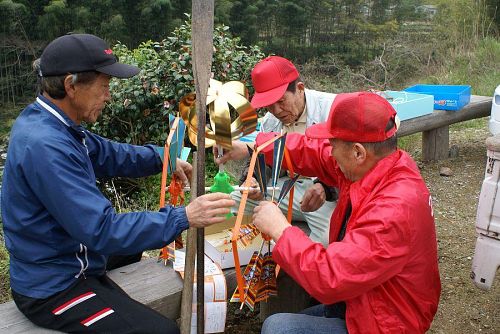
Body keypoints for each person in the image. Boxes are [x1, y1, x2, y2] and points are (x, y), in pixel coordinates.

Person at [0, 33, 234, 334]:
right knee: (161, 331)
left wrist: (163, 158)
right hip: (52, 286)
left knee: (134, 246)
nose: (108, 96)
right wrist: (184, 216)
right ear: (71, 85)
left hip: (67, 253)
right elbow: (101, 230)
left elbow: (109, 154)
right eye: (104, 86)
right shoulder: (46, 146)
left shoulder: (54, 124)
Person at [216, 92, 441, 333]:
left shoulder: (393, 209)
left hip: (388, 320)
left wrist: (281, 230)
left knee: (277, 327)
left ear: (358, 152)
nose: (330, 151)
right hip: (367, 296)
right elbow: (312, 151)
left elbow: (330, 276)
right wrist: (253, 147)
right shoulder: (378, 164)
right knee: (292, 319)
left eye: (333, 144)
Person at [229, 55, 338, 246]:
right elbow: (264, 159)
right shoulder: (271, 121)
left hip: (322, 194)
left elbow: (348, 164)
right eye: (269, 105)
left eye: (281, 101)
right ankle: (255, 255)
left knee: (329, 238)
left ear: (300, 89)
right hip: (286, 188)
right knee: (233, 201)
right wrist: (254, 180)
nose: (276, 110)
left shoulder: (332, 110)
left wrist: (326, 187)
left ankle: (293, 263)